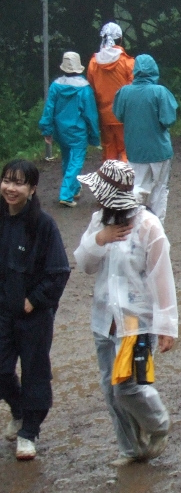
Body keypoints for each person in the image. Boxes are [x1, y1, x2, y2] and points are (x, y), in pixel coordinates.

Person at [74, 160, 177, 466]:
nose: (97, 200)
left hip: (135, 321)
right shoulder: (99, 222)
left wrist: (166, 325)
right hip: (104, 319)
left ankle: (158, 423)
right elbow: (85, 264)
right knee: (110, 389)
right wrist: (99, 239)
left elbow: (162, 276)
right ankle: (131, 448)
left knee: (126, 387)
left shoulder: (148, 226)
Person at [0, 160, 70, 461]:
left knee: (35, 374)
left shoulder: (42, 224)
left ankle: (29, 432)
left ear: (32, 189)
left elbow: (59, 271)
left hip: (33, 316)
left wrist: (35, 300)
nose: (10, 188)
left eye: (18, 183)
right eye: (6, 180)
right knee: (2, 371)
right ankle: (17, 410)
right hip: (2, 313)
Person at [113, 55, 178, 223]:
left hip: (135, 150)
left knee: (135, 188)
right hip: (159, 150)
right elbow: (168, 119)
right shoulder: (160, 92)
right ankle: (156, 229)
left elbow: (118, 115)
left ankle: (131, 224)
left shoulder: (124, 92)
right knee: (159, 189)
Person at [39, 52, 100, 207]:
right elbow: (90, 114)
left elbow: (49, 109)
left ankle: (74, 188)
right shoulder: (85, 88)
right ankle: (66, 194)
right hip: (78, 132)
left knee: (67, 160)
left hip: (61, 131)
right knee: (76, 162)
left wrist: (47, 129)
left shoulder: (56, 85)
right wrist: (94, 134)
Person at [86, 22, 134, 161]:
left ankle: (110, 181)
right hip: (124, 114)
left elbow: (92, 89)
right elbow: (133, 89)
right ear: (120, 39)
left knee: (109, 151)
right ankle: (127, 180)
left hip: (104, 115)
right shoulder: (128, 62)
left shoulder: (93, 63)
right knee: (126, 149)